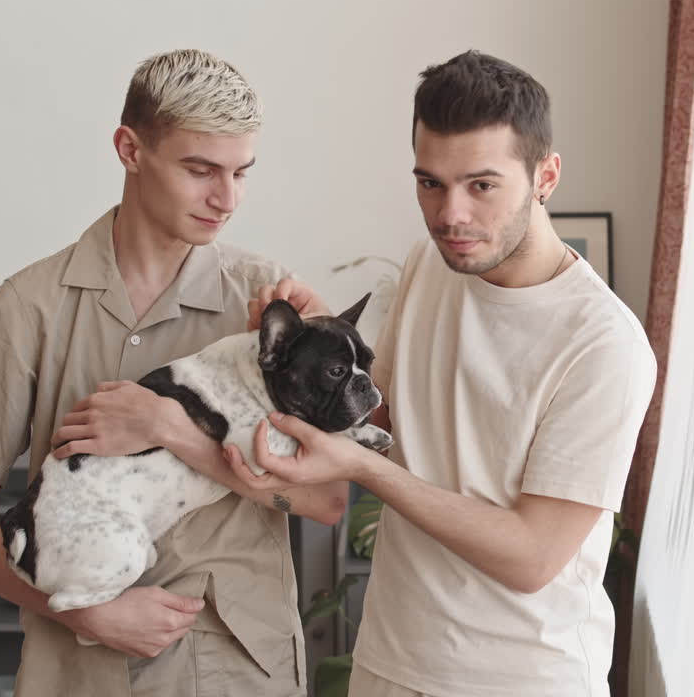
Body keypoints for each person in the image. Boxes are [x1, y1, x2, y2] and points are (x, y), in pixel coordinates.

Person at [228, 50, 658, 697]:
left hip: (520, 681)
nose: (450, 214)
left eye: (482, 185)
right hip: (390, 660)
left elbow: (532, 556)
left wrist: (361, 468)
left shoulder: (603, 344)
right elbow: (390, 420)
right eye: (430, 182)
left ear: (546, 176)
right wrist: (320, 344)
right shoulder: (432, 267)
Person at [0, 48, 340, 696]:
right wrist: (88, 611)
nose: (225, 198)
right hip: (75, 669)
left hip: (236, 669)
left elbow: (325, 500)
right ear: (129, 149)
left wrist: (173, 431)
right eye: (200, 169)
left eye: (241, 172)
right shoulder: (31, 304)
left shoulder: (267, 303)